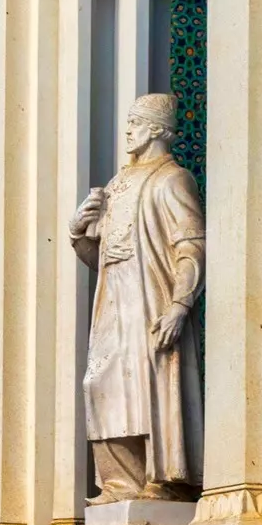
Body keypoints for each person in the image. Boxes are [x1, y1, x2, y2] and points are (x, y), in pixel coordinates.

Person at [73, 93, 205, 502]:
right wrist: (80, 230)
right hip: (114, 300)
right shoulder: (117, 183)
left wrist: (180, 305)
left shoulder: (172, 179)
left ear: (156, 129)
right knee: (101, 383)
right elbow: (101, 257)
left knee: (147, 385)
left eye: (134, 121)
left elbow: (192, 245)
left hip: (150, 299)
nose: (127, 130)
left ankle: (158, 479)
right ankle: (119, 482)